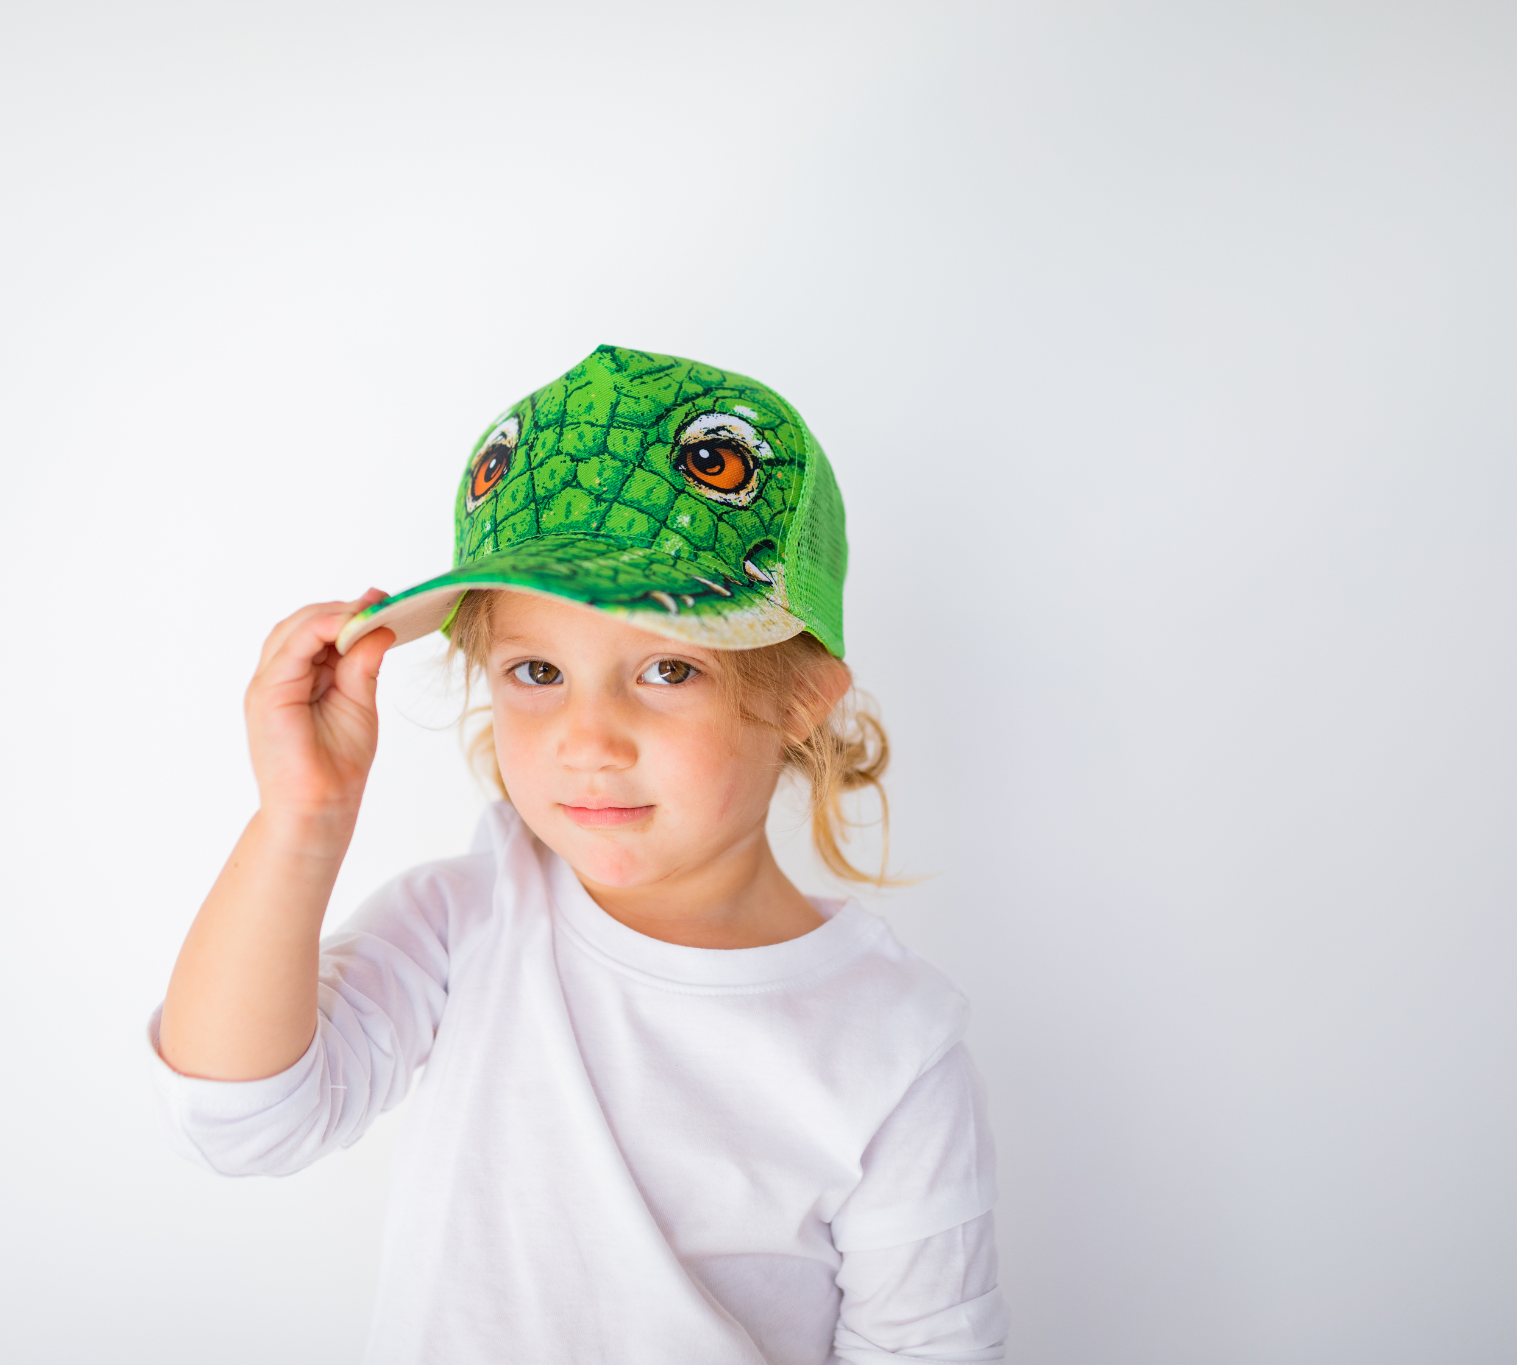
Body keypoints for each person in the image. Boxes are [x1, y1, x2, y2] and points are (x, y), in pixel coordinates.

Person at [150, 345, 1008, 1363]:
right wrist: (301, 818)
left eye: (665, 666)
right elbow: (239, 1118)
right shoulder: (466, 924)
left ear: (800, 696)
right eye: (538, 669)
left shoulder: (892, 1044)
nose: (586, 738)